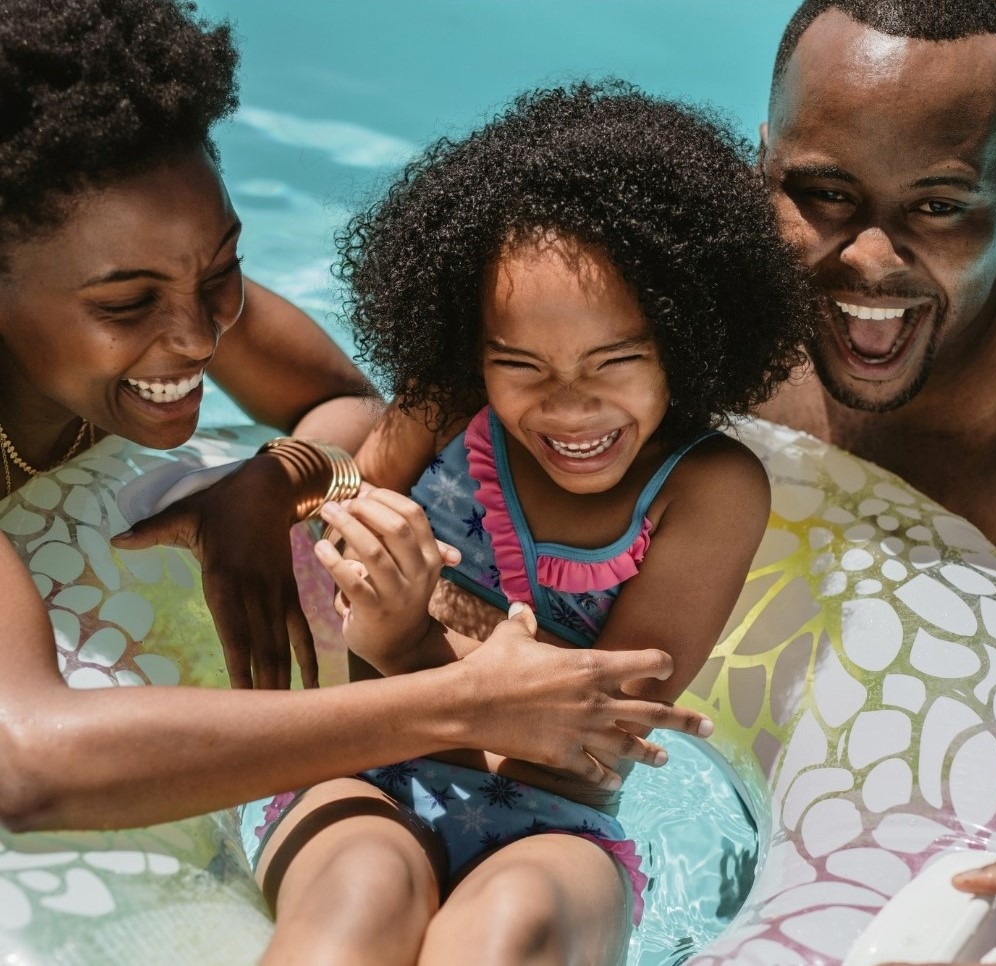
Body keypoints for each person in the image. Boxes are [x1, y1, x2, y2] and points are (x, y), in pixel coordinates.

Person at [243, 81, 816, 965]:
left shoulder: (708, 488)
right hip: (364, 767)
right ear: (471, 350)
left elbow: (586, 751)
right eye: (520, 364)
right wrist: (293, 492)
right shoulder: (447, 405)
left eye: (615, 360)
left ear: (689, 339)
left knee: (509, 926)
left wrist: (406, 647)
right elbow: (341, 534)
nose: (569, 406)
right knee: (363, 894)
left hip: (561, 825)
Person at [0, 0, 382, 690]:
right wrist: (461, 702)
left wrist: (267, 488)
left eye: (221, 271)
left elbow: (346, 399)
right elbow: (29, 761)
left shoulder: (163, 275)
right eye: (127, 303)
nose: (201, 336)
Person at [758, 0, 996, 568]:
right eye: (827, 195)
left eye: (937, 205)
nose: (873, 259)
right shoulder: (681, 312)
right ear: (763, 168)